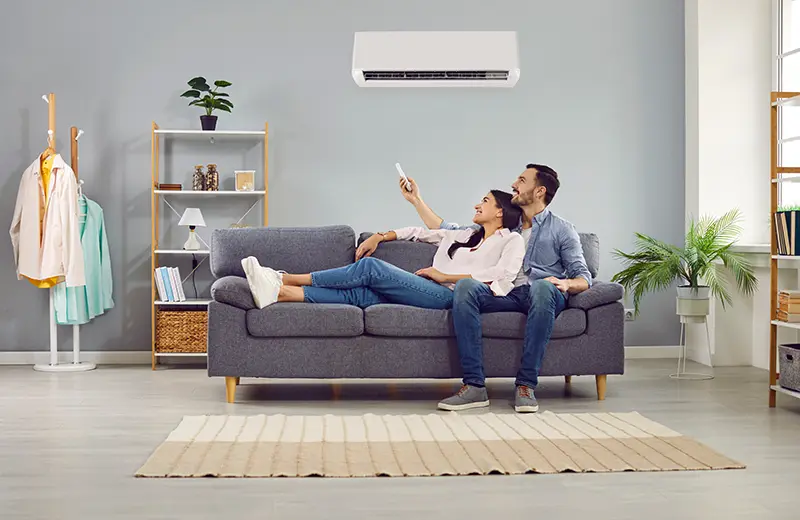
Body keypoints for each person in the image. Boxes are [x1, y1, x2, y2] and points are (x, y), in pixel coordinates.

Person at [398, 164, 592, 413]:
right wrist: (416, 200)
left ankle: (525, 385)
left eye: (522, 180)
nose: (514, 184)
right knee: (466, 286)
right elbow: (449, 230)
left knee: (542, 288)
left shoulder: (561, 229)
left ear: (539, 191)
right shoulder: (506, 225)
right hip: (507, 293)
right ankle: (474, 386)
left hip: (545, 295)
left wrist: (565, 283)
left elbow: (583, 277)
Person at [241, 190, 525, 311]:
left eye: (485, 201)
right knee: (363, 294)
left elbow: (501, 278)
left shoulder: (511, 241)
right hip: (430, 287)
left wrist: (446, 277)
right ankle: (279, 293)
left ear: (500, 212)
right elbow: (418, 232)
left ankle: (284, 278)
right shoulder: (465, 234)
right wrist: (380, 236)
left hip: (450, 297)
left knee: (370, 268)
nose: (478, 205)